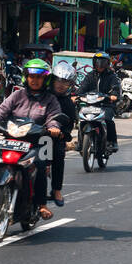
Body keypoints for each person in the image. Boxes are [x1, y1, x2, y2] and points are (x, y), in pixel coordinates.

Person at [0, 59, 66, 220]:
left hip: (36, 142)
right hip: (12, 138)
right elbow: (3, 110)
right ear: (26, 77)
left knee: (40, 166)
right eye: (31, 76)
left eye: (39, 77)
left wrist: (53, 128)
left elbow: (53, 117)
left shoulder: (50, 100)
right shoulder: (17, 94)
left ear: (45, 79)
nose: (34, 80)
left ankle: (41, 204)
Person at [75, 51, 120, 151]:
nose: (100, 65)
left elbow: (116, 88)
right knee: (81, 120)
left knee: (108, 119)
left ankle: (112, 141)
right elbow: (82, 88)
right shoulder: (90, 75)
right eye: (97, 62)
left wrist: (113, 96)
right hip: (89, 104)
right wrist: (76, 96)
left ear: (107, 64)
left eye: (102, 62)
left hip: (106, 104)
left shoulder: (111, 76)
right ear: (94, 63)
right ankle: (80, 142)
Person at [48, 61, 77, 207]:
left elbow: (68, 126)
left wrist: (61, 134)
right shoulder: (41, 95)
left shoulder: (67, 103)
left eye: (65, 81)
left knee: (58, 154)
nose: (60, 84)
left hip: (50, 140)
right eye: (58, 80)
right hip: (30, 134)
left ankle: (56, 189)